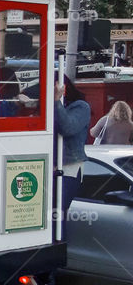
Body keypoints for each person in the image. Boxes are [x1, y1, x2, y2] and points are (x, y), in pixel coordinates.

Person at [54, 77, 91, 214]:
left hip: (69, 167)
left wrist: (56, 101)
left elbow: (68, 127)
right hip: (50, 165)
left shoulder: (81, 106)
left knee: (57, 212)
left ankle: (60, 236)